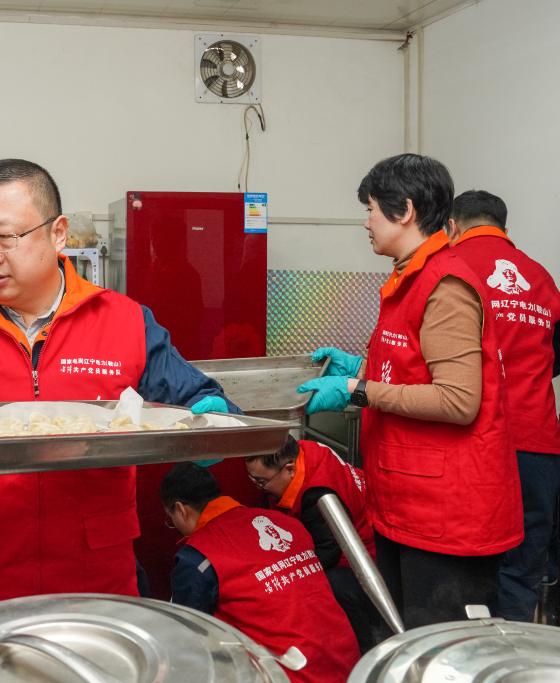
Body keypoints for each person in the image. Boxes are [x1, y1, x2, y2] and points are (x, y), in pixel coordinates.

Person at [0, 158, 239, 617]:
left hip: (95, 583)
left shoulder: (126, 322)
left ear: (58, 233)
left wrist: (212, 424)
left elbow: (205, 402)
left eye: (7, 237)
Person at [297, 154, 523, 628]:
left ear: (405, 210)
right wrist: (360, 366)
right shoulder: (410, 277)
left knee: (438, 649)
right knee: (402, 638)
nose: (366, 222)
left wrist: (359, 389)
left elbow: (459, 400)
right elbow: (411, 367)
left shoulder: (445, 284)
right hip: (410, 503)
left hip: (446, 517)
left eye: (371, 209)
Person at [447, 189, 560, 622]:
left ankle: (466, 650)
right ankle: (512, 652)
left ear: (453, 226)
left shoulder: (450, 267)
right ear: (504, 228)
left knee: (466, 567)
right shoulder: (541, 277)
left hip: (475, 441)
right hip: (538, 444)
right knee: (522, 568)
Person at [162, 462, 359, 683]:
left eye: (171, 519)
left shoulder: (198, 558)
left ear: (180, 509)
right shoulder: (287, 523)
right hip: (349, 662)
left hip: (290, 674)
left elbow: (187, 637)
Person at [245, 435, 380, 650]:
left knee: (331, 586)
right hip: (350, 527)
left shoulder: (318, 497)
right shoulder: (301, 451)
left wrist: (289, 571)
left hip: (359, 555)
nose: (258, 487)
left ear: (290, 469)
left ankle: (363, 648)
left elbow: (330, 551)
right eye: (252, 479)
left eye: (261, 482)